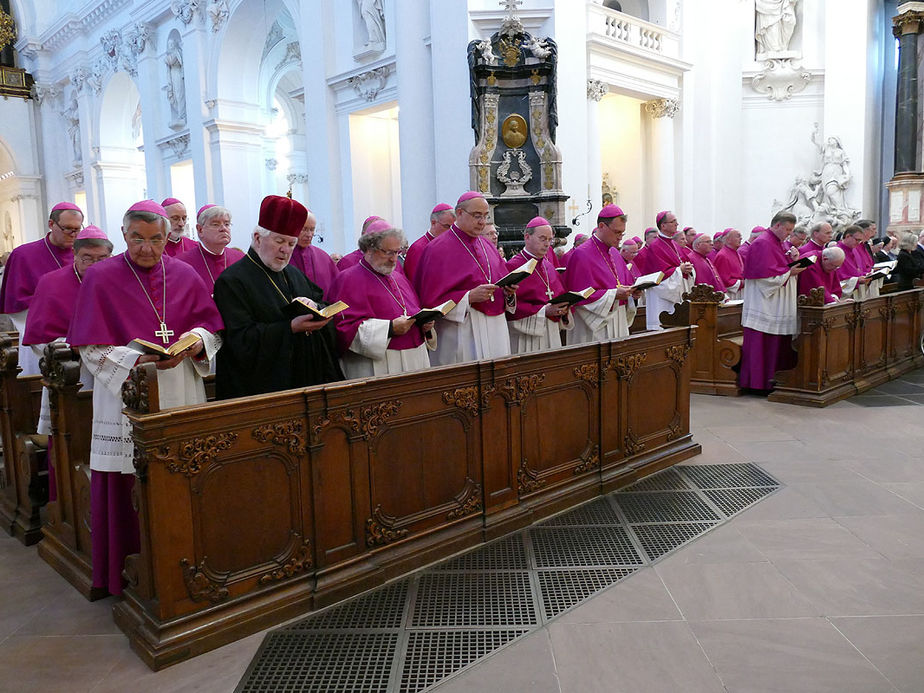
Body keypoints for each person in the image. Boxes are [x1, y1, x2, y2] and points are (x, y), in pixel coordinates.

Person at [67, 200, 223, 595]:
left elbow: (212, 329)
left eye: (156, 239)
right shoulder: (101, 278)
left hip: (181, 388)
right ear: (124, 236)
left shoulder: (185, 273)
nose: (147, 248)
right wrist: (137, 359)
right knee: (129, 480)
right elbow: (90, 349)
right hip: (126, 396)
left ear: (168, 236)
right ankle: (129, 568)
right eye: (137, 239)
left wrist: (196, 342)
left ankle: (191, 559)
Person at [214, 195, 343, 399]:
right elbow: (239, 340)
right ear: (257, 238)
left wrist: (317, 307)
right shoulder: (232, 281)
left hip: (307, 380)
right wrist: (290, 328)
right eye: (279, 241)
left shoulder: (293, 273)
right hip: (264, 390)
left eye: (291, 244)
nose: (285, 250)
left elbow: (321, 301)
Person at [21, 226, 112, 502]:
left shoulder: (119, 281)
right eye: (87, 258)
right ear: (74, 255)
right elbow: (39, 338)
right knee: (70, 441)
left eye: (101, 259)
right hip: (71, 377)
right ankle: (68, 505)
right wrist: (69, 347)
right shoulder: (51, 283)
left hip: (111, 376)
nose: (95, 265)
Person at [414, 191, 515, 365]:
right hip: (462, 328)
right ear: (459, 213)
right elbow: (430, 299)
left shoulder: (486, 245)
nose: (482, 222)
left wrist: (509, 292)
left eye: (485, 216)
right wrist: (468, 297)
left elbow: (501, 277)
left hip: (496, 327)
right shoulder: (437, 249)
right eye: (477, 216)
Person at [329, 225, 434, 377]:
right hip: (378, 365)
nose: (394, 259)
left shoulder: (399, 278)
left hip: (415, 360)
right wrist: (390, 328)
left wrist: (425, 325)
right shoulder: (347, 280)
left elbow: (412, 311)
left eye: (397, 252)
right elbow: (343, 329)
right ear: (369, 249)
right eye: (388, 252)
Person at [0, 201, 80, 376]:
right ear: (51, 224)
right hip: (39, 341)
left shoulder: (83, 255)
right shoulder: (23, 255)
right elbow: (16, 304)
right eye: (67, 228)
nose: (73, 235)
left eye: (77, 229)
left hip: (82, 341)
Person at [739, 211, 806, 393]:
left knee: (777, 343)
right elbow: (764, 278)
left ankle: (776, 379)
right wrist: (789, 272)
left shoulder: (778, 242)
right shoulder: (763, 243)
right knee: (763, 344)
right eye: (787, 230)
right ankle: (758, 384)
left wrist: (793, 261)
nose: (789, 234)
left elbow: (779, 267)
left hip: (776, 301)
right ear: (777, 225)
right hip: (764, 303)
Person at [562, 204, 638, 343]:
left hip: (617, 319)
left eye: (622, 233)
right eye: (617, 232)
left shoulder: (615, 252)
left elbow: (625, 284)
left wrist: (633, 292)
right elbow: (579, 297)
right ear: (602, 226)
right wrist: (614, 294)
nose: (620, 237)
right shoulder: (582, 254)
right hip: (593, 328)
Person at [506, 217, 571, 353]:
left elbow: (558, 294)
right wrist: (544, 311)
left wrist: (563, 308)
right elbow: (509, 306)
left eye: (550, 239)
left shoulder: (549, 266)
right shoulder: (513, 266)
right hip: (526, 335)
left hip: (551, 331)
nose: (547, 244)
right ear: (527, 237)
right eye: (542, 239)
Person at [633, 210, 694, 330]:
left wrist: (688, 269)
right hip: (660, 297)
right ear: (663, 226)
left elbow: (681, 264)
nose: (677, 224)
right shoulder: (655, 246)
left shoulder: (674, 244)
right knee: (662, 328)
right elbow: (658, 275)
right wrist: (679, 270)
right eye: (673, 221)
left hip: (675, 292)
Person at [176, 204, 245, 293]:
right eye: (216, 224)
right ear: (200, 230)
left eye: (227, 224)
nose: (223, 228)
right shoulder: (183, 264)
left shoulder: (241, 259)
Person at [286, 208, 340, 299]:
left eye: (312, 229)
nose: (309, 234)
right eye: (304, 229)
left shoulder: (323, 257)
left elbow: (337, 288)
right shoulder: (282, 255)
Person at [403, 203, 454, 283]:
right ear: (433, 223)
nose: (450, 231)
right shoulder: (418, 249)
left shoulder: (451, 246)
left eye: (453, 227)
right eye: (447, 226)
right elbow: (415, 282)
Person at [836, 225, 873, 299]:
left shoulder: (855, 250)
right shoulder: (836, 251)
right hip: (845, 296)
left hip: (857, 292)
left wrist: (867, 275)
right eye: (857, 240)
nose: (858, 243)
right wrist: (856, 280)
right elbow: (837, 277)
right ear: (848, 236)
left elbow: (859, 269)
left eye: (860, 241)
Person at [714, 228, 744, 299]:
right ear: (728, 240)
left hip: (739, 291)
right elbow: (724, 280)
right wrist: (742, 283)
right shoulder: (722, 255)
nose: (741, 238)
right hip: (731, 294)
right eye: (738, 236)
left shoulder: (736, 252)